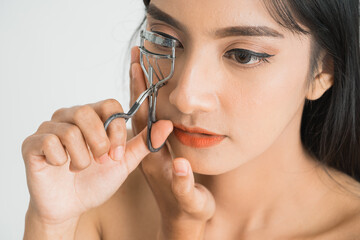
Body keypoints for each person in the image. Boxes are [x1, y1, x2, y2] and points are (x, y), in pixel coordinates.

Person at [22, 0, 360, 239]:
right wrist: (50, 225)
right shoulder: (94, 197)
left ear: (323, 70)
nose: (184, 95)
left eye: (243, 55)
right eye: (167, 40)